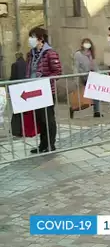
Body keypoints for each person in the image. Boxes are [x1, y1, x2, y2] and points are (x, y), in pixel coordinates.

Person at [26, 26, 63, 154]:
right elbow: (29, 71)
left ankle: (50, 144)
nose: (30, 40)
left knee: (48, 118)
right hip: (34, 90)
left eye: (33, 37)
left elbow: (57, 71)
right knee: (40, 119)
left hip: (46, 90)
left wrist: (45, 79)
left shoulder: (50, 53)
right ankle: (42, 145)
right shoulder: (31, 54)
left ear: (40, 39)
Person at [72, 38, 102, 118]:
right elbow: (76, 67)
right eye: (85, 43)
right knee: (83, 97)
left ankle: (97, 111)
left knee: (96, 92)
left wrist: (100, 73)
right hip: (84, 76)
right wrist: (76, 78)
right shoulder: (78, 54)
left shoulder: (91, 54)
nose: (87, 44)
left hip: (92, 75)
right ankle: (73, 109)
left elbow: (95, 66)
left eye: (88, 43)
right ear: (82, 44)